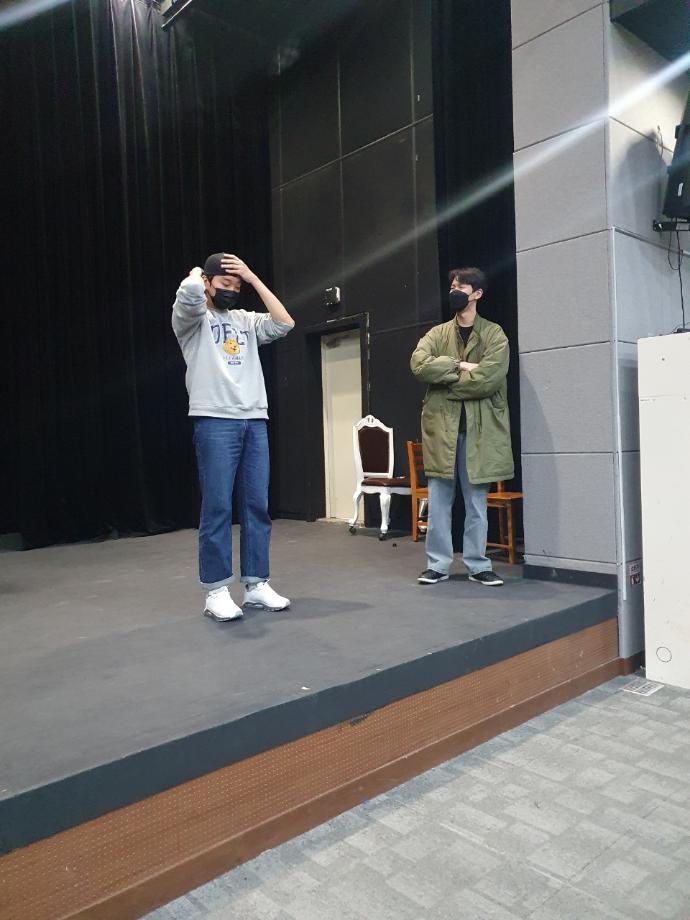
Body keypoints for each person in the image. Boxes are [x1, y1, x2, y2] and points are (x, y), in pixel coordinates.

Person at [172, 252, 294, 621]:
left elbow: (284, 322)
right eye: (225, 283)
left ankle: (256, 584)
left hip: (254, 419)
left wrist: (252, 278)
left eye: (237, 286)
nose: (232, 290)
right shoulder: (193, 319)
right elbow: (189, 292)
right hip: (214, 420)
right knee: (218, 507)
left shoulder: (245, 320)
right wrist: (197, 272)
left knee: (256, 505)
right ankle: (216, 590)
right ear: (208, 283)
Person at [410, 267, 514, 587]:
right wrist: (460, 365)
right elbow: (418, 365)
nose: (454, 291)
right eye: (452, 286)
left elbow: (489, 379)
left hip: (479, 431)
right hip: (442, 430)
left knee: (476, 504)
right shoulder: (437, 334)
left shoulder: (494, 334)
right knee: (439, 502)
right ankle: (437, 565)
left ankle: (478, 565)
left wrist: (446, 383)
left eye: (461, 287)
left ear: (477, 294)